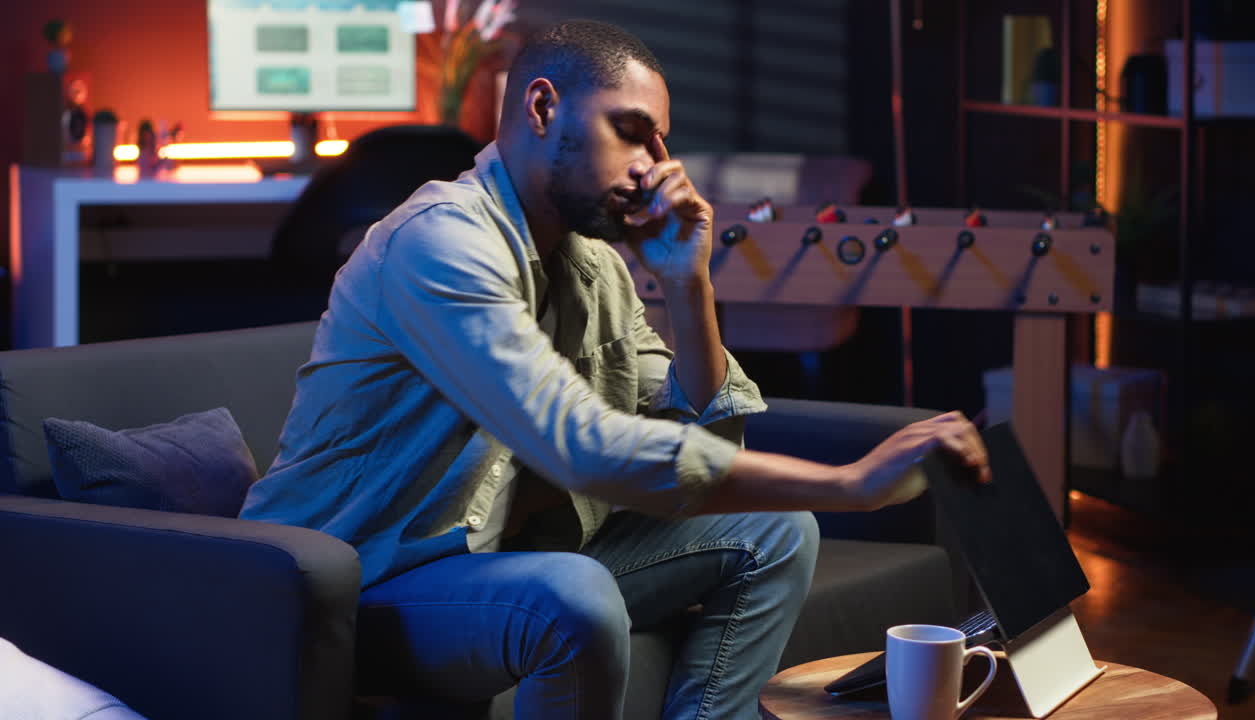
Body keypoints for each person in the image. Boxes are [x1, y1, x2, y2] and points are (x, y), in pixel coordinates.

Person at [240, 18, 989, 720]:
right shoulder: (441, 242)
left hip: (496, 566)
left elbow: (713, 444)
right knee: (575, 592)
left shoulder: (595, 263)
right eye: (630, 133)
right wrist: (850, 486)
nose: (654, 170)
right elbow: (581, 445)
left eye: (661, 143)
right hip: (362, 584)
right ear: (542, 109)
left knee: (777, 532)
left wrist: (687, 282)